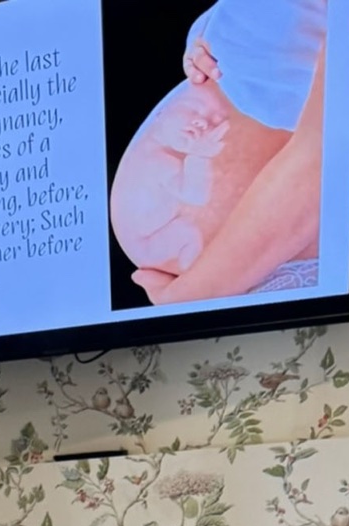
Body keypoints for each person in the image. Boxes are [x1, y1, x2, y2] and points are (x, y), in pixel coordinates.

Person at [110, 0, 328, 306]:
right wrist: (206, 31)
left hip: (267, 251)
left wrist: (192, 294)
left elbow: (324, 160)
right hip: (243, 267)